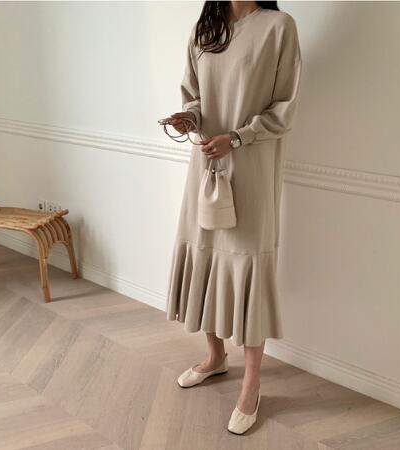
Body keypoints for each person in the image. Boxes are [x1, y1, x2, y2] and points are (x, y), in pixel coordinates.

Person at [165, 0, 302, 434]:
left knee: (248, 264)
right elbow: (194, 95)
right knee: (204, 255)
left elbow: (284, 106)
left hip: (252, 165)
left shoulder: (279, 27)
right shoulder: (204, 28)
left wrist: (238, 138)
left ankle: (252, 384)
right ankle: (216, 356)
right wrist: (188, 116)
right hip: (205, 164)